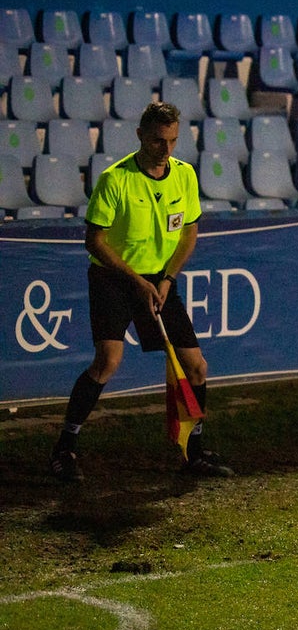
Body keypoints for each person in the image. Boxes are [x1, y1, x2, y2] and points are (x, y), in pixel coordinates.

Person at [49, 102, 233, 482]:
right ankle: (64, 448)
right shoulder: (115, 179)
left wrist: (165, 280)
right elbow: (94, 241)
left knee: (196, 367)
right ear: (139, 136)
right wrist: (137, 281)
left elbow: (189, 234)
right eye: (157, 141)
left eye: (172, 141)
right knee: (108, 361)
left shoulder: (184, 175)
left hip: (159, 280)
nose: (165, 149)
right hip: (114, 279)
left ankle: (193, 452)